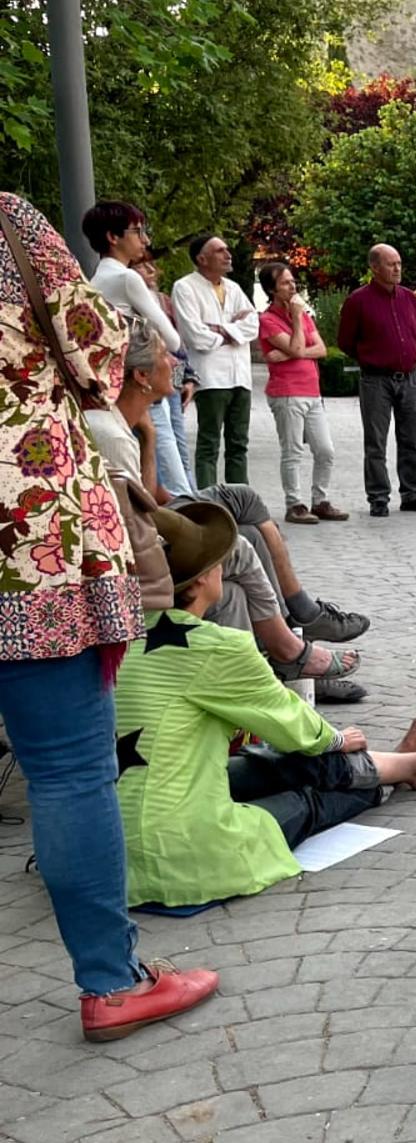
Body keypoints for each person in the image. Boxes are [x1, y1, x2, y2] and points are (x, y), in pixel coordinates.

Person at [0, 191, 220, 1042]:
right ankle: (111, 979)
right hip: (30, 541)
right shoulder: (11, 222)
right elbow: (103, 357)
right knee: (65, 772)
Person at [115, 504, 416, 907]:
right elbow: (294, 727)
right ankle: (404, 769)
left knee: (267, 763)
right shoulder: (218, 648)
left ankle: (398, 765)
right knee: (307, 794)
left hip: (110, 844)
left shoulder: (122, 637)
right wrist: (338, 738)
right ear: (203, 579)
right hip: (178, 855)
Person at [88, 320, 365, 686]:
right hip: (134, 563)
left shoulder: (122, 424)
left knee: (238, 566)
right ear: (140, 375)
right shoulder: (109, 433)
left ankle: (273, 673)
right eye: (162, 355)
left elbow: (148, 499)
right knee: (241, 534)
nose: (174, 361)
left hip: (146, 538)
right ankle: (289, 646)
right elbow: (137, 526)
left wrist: (149, 437)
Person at [83, 201, 191, 500]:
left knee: (145, 470)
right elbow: (172, 339)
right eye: (137, 231)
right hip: (143, 383)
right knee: (176, 478)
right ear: (112, 237)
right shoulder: (127, 278)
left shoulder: (94, 280)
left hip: (119, 385)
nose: (144, 239)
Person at [338, 243, 416, 517]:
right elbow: (345, 341)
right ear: (374, 267)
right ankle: (378, 497)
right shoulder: (358, 301)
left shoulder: (410, 298)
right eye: (391, 264)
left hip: (409, 377)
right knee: (376, 443)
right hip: (376, 380)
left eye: (399, 263)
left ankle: (412, 493)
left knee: (411, 440)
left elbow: (414, 333)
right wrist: (372, 356)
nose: (397, 269)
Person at [256, 263, 345, 526]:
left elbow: (321, 349)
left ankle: (321, 500)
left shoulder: (304, 315)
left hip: (312, 391)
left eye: (293, 281)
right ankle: (294, 504)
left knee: (325, 450)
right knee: (293, 450)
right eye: (285, 283)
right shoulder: (268, 320)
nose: (292, 287)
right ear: (271, 290)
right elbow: (298, 346)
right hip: (287, 393)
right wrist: (295, 322)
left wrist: (290, 353)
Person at [171, 234, 258, 487]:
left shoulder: (234, 288)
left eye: (226, 249)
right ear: (202, 258)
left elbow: (253, 326)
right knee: (209, 443)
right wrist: (234, 330)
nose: (227, 254)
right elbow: (195, 336)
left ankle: (240, 502)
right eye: (220, 250)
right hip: (210, 378)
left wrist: (220, 329)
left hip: (240, 377)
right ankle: (210, 504)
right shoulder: (185, 287)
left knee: (239, 445)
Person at [132, 249, 197, 493]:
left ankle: (191, 495)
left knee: (177, 441)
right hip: (150, 374)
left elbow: (178, 343)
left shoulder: (162, 300)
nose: (150, 271)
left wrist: (188, 377)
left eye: (151, 265)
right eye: (142, 266)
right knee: (159, 439)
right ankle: (178, 496)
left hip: (171, 377)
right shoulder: (131, 298)